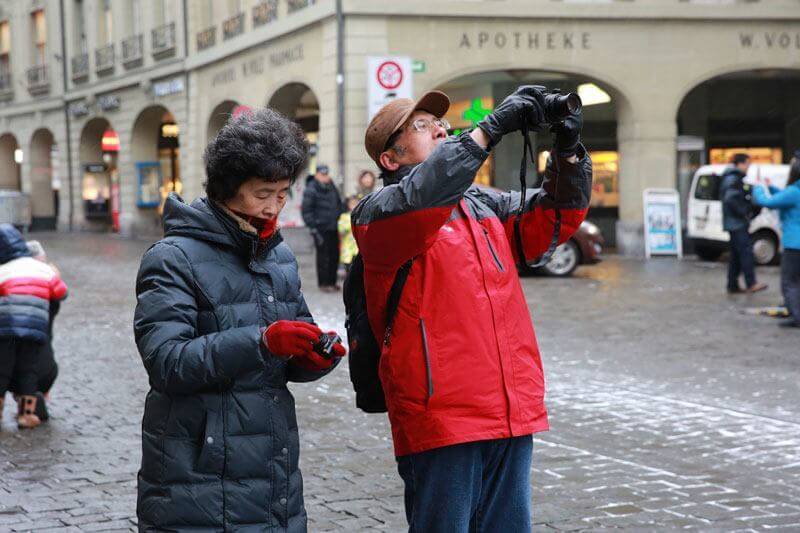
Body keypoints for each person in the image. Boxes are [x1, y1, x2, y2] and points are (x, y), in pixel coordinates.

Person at [352, 87, 592, 531]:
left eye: (440, 123)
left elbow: (552, 220)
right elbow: (422, 196)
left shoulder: (483, 205)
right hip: (442, 414)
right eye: (421, 127)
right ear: (390, 159)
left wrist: (568, 153)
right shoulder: (378, 213)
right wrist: (490, 128)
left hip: (509, 406)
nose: (441, 128)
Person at [134, 108, 346, 532]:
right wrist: (262, 342)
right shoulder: (172, 258)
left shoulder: (279, 256)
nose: (274, 207)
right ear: (227, 189)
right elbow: (167, 361)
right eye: (262, 193)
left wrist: (315, 356)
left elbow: (288, 345)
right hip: (197, 469)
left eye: (283, 193)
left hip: (272, 464)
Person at [0, 225, 67, 429]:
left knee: (2, 368)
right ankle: (26, 415)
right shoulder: (43, 269)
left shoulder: (4, 269)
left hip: (7, 327)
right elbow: (61, 292)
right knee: (28, 369)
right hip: (35, 328)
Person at [753, 152, 800, 327]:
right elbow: (784, 198)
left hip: (794, 243)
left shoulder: (794, 191)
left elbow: (767, 202)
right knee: (797, 281)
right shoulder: (795, 191)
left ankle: (796, 316)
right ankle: (794, 310)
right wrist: (771, 187)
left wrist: (758, 187)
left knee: (789, 282)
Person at [720, 153, 767, 294]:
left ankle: (732, 284)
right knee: (745, 252)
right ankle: (751, 282)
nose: (748, 167)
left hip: (734, 222)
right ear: (740, 164)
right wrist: (745, 211)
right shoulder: (733, 179)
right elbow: (731, 199)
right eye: (747, 164)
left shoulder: (731, 178)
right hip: (737, 223)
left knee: (736, 255)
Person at [301, 163, 343, 292]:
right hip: (320, 228)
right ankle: (324, 284)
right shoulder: (311, 188)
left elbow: (338, 203)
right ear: (317, 174)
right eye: (322, 174)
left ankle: (332, 281)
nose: (325, 177)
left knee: (334, 255)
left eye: (326, 174)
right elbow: (307, 210)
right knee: (323, 257)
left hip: (333, 226)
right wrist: (313, 228)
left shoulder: (331, 186)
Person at [338, 196, 360, 273]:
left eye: (356, 203)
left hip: (358, 248)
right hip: (347, 248)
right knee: (349, 271)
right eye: (352, 204)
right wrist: (350, 223)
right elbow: (341, 230)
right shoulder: (344, 216)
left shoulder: (361, 215)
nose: (354, 206)